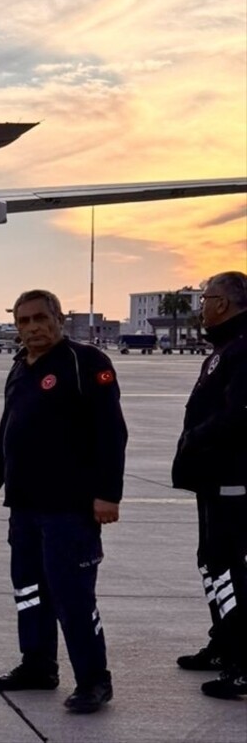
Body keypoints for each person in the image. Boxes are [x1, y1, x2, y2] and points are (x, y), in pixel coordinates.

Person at [0, 288, 127, 715]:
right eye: (24, 322)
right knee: (29, 591)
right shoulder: (20, 366)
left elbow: (111, 433)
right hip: (24, 507)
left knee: (73, 598)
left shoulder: (86, 362)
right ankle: (38, 666)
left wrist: (107, 494)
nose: (33, 328)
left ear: (59, 318)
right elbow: (9, 429)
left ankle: (94, 681)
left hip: (70, 509)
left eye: (41, 318)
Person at [171, 270, 247, 700]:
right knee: (212, 561)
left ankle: (242, 660)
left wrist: (198, 438)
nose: (201, 305)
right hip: (212, 477)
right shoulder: (226, 349)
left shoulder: (243, 350)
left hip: (232, 479)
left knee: (229, 566)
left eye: (205, 297)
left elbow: (241, 413)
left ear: (223, 302)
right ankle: (224, 644)